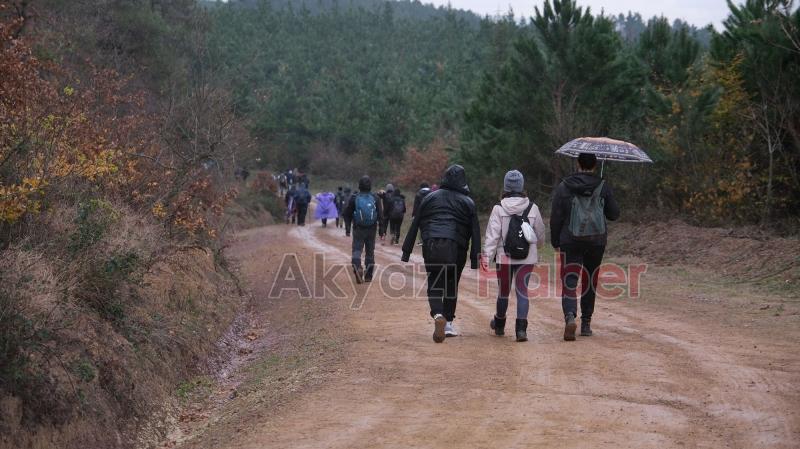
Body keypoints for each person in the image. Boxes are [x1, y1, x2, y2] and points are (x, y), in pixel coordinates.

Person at [401, 165, 480, 343]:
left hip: (432, 244)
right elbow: (475, 231)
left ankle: (438, 314)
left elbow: (416, 224)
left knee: (435, 282)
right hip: (457, 247)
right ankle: (449, 323)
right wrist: (475, 258)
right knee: (451, 284)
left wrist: (406, 251)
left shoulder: (429, 198)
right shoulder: (468, 202)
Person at [550, 153, 620, 341]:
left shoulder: (565, 186)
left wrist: (555, 241)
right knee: (590, 280)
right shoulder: (602, 185)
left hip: (570, 240)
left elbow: (556, 216)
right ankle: (586, 324)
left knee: (570, 281)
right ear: (595, 165)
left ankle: (570, 316)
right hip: (596, 241)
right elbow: (614, 214)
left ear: (578, 163)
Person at [482, 170, 546, 342]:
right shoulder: (533, 208)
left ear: (506, 187)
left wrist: (486, 257)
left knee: (503, 292)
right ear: (521, 186)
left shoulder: (498, 208)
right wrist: (537, 247)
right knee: (522, 291)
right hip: (527, 257)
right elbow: (540, 233)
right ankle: (521, 331)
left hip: (504, 257)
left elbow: (492, 235)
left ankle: (500, 325)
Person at [344, 176, 382, 284]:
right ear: (370, 186)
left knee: (357, 249)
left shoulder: (354, 198)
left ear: (359, 186)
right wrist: (382, 230)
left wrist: (347, 227)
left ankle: (357, 267)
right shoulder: (375, 198)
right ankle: (369, 275)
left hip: (358, 228)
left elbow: (346, 214)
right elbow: (380, 215)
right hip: (372, 229)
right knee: (370, 252)